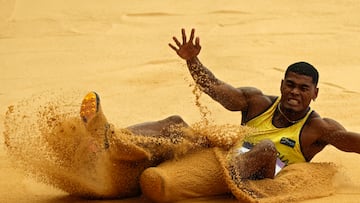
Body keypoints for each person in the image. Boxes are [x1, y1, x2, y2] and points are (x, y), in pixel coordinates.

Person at [137, 28, 360, 202]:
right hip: (226, 160)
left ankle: (222, 180)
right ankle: (115, 140)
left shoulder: (318, 128)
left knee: (266, 148)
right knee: (175, 124)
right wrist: (192, 60)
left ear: (315, 93)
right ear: (282, 85)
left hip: (261, 177)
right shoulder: (257, 103)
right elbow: (214, 86)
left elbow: (354, 142)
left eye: (303, 88)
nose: (294, 91)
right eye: (290, 85)